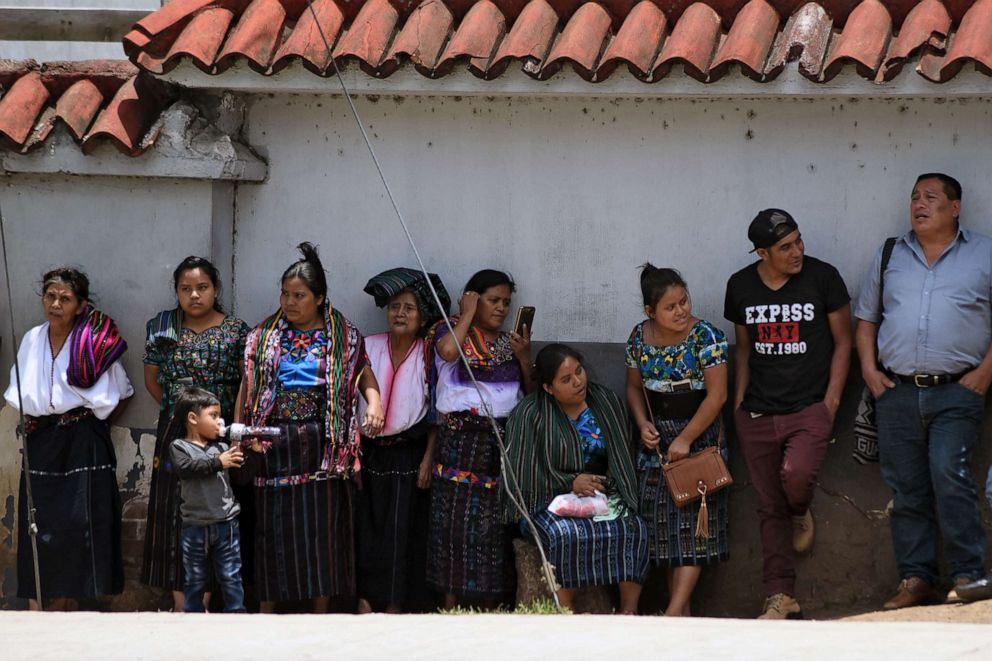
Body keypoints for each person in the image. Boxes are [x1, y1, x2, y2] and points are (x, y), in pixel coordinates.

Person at [854, 173, 991, 609]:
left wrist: (985, 374)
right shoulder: (891, 253)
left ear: (955, 208)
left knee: (950, 473)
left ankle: (969, 574)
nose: (920, 204)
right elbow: (867, 319)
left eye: (931, 197)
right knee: (906, 487)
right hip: (896, 391)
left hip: (958, 390)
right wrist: (870, 373)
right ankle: (917, 579)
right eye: (914, 196)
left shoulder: (984, 253)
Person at [235, 242, 384, 613]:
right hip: (271, 440)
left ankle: (321, 611)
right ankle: (267, 608)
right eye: (285, 294)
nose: (289, 302)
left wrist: (375, 404)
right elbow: (248, 386)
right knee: (272, 527)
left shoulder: (343, 336)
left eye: (299, 295)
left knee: (322, 528)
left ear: (319, 298)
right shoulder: (263, 337)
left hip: (323, 441)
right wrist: (242, 431)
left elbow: (364, 374)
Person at [724, 209, 851, 619]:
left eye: (798, 241)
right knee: (767, 506)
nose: (797, 251)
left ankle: (800, 510)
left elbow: (843, 343)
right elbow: (742, 347)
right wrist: (740, 404)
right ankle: (781, 596)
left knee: (795, 478)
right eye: (785, 247)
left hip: (809, 408)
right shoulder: (741, 286)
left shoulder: (823, 277)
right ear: (763, 252)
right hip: (757, 412)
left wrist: (829, 404)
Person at [4, 267, 133, 610]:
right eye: (50, 296)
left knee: (78, 522)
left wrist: (86, 426)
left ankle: (67, 599)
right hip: (41, 438)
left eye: (65, 298)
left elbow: (123, 393)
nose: (56, 304)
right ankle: (39, 601)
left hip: (82, 440)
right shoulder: (32, 339)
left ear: (80, 305)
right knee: (38, 518)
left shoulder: (93, 341)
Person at [140, 256, 250, 611]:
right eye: (185, 289)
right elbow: (152, 381)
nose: (194, 295)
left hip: (220, 434)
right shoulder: (162, 328)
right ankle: (184, 604)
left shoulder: (236, 331)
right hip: (176, 434)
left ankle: (211, 600)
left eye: (202, 288)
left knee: (218, 513)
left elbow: (246, 383)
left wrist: (223, 427)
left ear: (215, 289)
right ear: (176, 292)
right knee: (174, 514)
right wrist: (183, 419)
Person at [505, 343, 648, 613]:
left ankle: (630, 612)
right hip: (545, 500)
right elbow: (521, 477)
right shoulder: (529, 415)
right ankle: (565, 609)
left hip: (602, 494)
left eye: (579, 371)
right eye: (566, 379)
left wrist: (608, 486)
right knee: (566, 535)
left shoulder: (605, 402)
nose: (578, 381)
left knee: (634, 528)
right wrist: (569, 482)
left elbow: (621, 454)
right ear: (549, 387)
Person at [625, 265, 730, 616]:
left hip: (697, 440)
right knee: (663, 532)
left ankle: (672, 615)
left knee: (693, 531)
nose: (681, 310)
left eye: (684, 301)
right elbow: (633, 387)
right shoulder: (638, 337)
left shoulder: (706, 337)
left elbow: (717, 396)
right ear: (650, 311)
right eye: (670, 307)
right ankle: (681, 617)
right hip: (656, 443)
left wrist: (685, 439)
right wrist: (642, 423)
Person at [428, 269, 533, 608]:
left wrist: (523, 357)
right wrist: (467, 313)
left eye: (506, 302)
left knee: (492, 527)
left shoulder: (509, 343)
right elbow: (446, 353)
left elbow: (529, 394)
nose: (501, 308)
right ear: (472, 298)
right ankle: (450, 602)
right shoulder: (449, 330)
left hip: (498, 443)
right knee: (452, 525)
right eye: (492, 300)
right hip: (459, 441)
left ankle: (489, 603)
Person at [354, 267, 451, 613]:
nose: (400, 314)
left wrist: (429, 458)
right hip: (368, 452)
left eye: (409, 308)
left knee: (401, 532)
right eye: (394, 306)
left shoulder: (429, 353)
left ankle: (394, 605)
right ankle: (364, 602)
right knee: (366, 528)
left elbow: (438, 411)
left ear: (422, 315)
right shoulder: (368, 346)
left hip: (409, 454)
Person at [169, 387, 254, 613]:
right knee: (195, 577)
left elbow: (242, 478)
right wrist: (219, 462)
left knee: (231, 574)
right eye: (214, 416)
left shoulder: (222, 447)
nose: (220, 421)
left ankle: (236, 612)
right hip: (195, 525)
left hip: (226, 523)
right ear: (193, 418)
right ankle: (194, 615)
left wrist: (251, 453)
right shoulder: (179, 447)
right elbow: (187, 469)